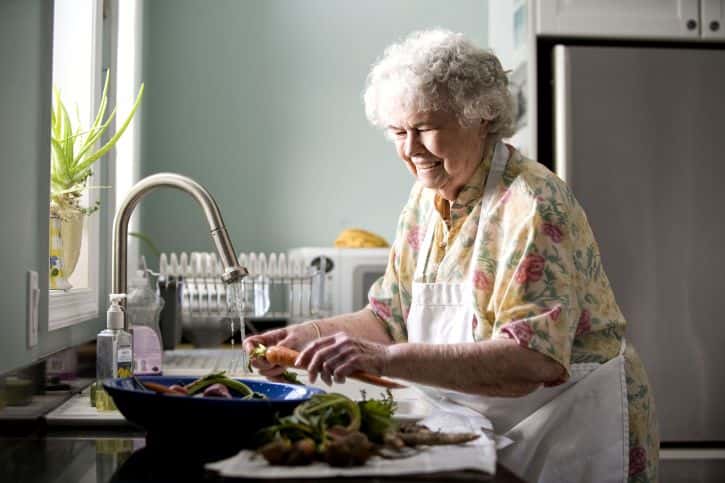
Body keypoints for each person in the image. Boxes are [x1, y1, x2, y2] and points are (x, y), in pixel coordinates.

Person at [244, 29, 658, 483]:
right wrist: (305, 338)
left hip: (569, 428)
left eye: (424, 129)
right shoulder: (426, 199)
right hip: (491, 427)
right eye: (398, 132)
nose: (410, 149)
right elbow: (389, 317)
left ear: (481, 116)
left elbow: (532, 361)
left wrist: (384, 360)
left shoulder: (532, 204)